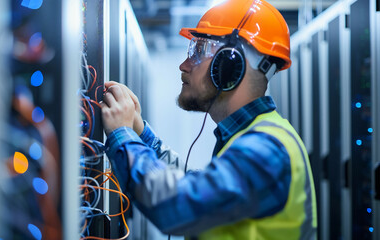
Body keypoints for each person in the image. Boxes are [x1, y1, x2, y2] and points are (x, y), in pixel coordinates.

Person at [100, 0, 318, 239]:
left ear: (228, 65)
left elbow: (176, 205)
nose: (183, 65)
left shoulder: (266, 150)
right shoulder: (251, 136)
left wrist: (121, 133)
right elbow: (200, 187)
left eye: (198, 51)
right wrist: (140, 133)